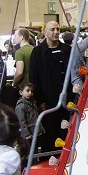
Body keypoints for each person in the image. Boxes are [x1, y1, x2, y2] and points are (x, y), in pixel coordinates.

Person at [29, 21, 72, 152]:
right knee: (50, 134)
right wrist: (40, 101)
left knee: (67, 131)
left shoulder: (68, 50)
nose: (56, 32)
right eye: (52, 29)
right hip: (47, 102)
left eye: (58, 29)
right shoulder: (37, 53)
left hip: (67, 100)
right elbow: (34, 78)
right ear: (45, 32)